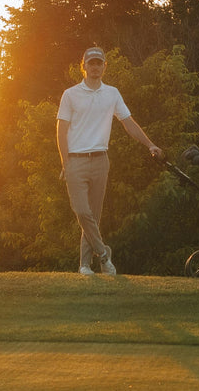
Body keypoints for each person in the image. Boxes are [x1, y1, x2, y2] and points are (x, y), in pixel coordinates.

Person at [56, 47, 163, 275]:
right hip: (75, 161)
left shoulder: (112, 93)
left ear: (104, 66)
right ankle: (104, 254)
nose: (95, 67)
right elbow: (61, 130)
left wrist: (150, 144)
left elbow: (128, 123)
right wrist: (65, 162)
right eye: (91, 63)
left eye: (99, 63)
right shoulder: (70, 94)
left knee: (93, 217)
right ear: (84, 66)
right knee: (82, 211)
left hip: (101, 160)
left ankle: (85, 265)